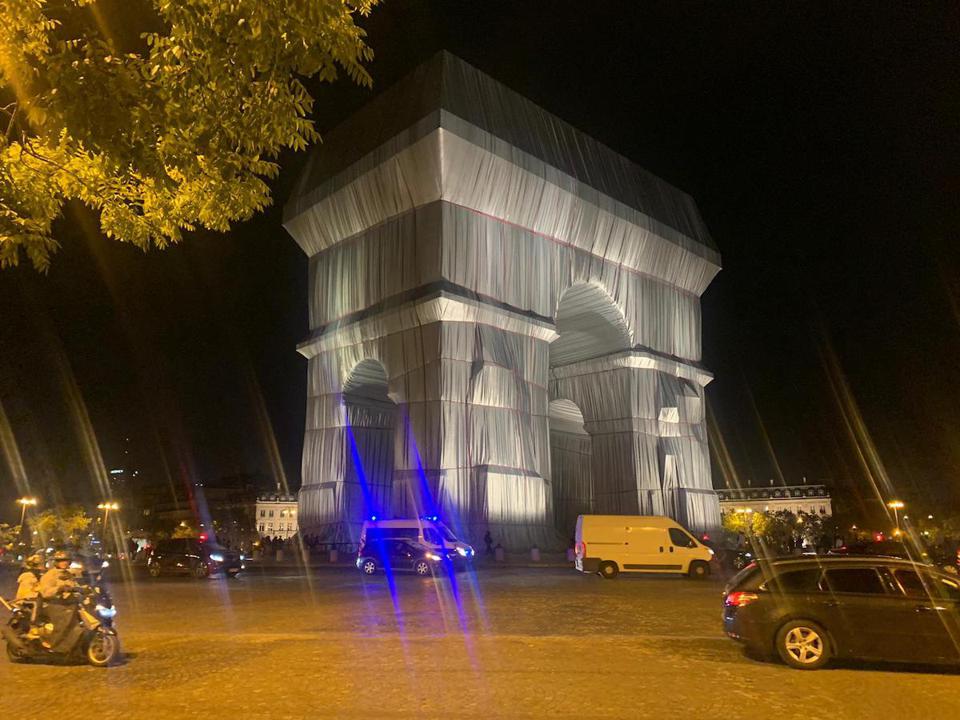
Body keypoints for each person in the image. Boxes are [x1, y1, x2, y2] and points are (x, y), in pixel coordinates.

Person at [38, 550, 79, 650]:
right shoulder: (49, 575)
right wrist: (58, 589)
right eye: (61, 560)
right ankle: (56, 647)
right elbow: (45, 592)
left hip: (66, 603)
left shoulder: (69, 575)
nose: (64, 562)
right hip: (52, 604)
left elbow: (76, 587)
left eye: (66, 560)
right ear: (56, 562)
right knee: (64, 621)